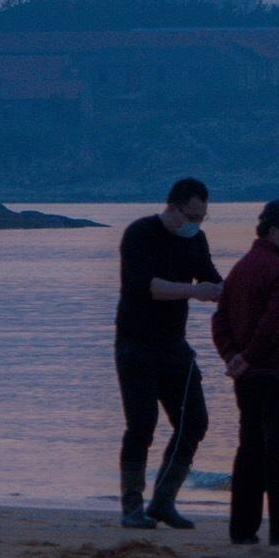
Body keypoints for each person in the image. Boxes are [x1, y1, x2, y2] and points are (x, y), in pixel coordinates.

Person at [114, 177, 222, 529]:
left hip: (174, 346)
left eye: (202, 219)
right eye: (191, 217)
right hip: (136, 345)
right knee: (142, 425)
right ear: (173, 208)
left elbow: (212, 281)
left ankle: (163, 499)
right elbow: (149, 287)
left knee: (194, 422)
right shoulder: (140, 234)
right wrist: (195, 292)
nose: (196, 225)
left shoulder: (196, 241)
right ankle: (132, 505)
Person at [212, 199, 279, 546]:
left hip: (249, 376)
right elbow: (275, 319)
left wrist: (233, 357)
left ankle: (242, 527)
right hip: (276, 372)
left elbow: (220, 320)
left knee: (250, 450)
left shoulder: (240, 268)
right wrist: (247, 356)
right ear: (274, 231)